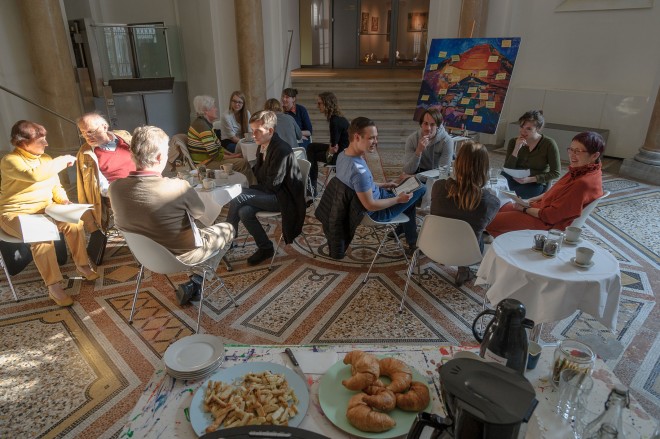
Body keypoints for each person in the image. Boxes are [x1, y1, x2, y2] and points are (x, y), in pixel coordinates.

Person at [108, 125, 234, 288]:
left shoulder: (115, 188)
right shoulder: (178, 187)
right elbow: (200, 213)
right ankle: (198, 279)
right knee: (228, 227)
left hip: (145, 257)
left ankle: (196, 280)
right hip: (184, 257)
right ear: (160, 157)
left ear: (132, 155)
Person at [0, 120, 99, 307]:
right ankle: (54, 286)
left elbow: (56, 186)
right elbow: (34, 175)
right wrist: (61, 161)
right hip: (14, 214)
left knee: (74, 222)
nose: (46, 143)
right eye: (40, 140)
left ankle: (83, 265)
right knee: (42, 237)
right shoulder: (9, 161)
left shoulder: (46, 160)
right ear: (22, 142)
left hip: (45, 209)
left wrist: (63, 201)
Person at [487, 131, 606, 237]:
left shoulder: (583, 182)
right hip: (539, 210)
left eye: (578, 151)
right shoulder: (583, 170)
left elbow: (551, 216)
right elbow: (553, 192)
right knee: (494, 208)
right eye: (571, 149)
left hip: (546, 223)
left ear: (595, 155)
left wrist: (524, 209)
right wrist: (529, 201)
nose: (572, 155)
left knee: (486, 220)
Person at [226, 111, 306, 265]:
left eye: (258, 131)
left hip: (283, 198)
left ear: (270, 131)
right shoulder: (263, 145)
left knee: (238, 196)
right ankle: (266, 247)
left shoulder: (281, 149)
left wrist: (261, 170)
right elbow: (260, 175)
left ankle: (226, 241)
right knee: (244, 211)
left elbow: (271, 184)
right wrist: (262, 169)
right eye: (252, 130)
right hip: (269, 192)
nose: (253, 135)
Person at [336, 117, 425, 253]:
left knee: (408, 193)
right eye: (371, 138)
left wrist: (384, 184)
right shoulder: (359, 171)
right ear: (357, 137)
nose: (376, 142)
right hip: (378, 212)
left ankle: (406, 233)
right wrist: (398, 200)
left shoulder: (343, 156)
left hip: (379, 195)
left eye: (376, 137)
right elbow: (370, 205)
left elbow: (361, 185)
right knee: (421, 188)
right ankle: (411, 240)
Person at [430, 141, 499, 286]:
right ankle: (464, 269)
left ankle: (456, 261)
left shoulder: (438, 186)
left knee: (458, 223)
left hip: (434, 246)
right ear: (484, 168)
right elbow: (488, 226)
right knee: (478, 232)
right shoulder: (490, 201)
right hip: (469, 253)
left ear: (457, 164)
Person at [76, 112, 135, 237]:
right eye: (83, 132)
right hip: (118, 193)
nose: (87, 136)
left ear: (104, 127)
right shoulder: (86, 154)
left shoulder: (124, 137)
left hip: (142, 181)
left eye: (91, 131)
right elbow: (100, 186)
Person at [188, 95, 256, 184]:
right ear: (206, 111)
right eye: (213, 107)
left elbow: (218, 147)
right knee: (243, 163)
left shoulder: (204, 123)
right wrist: (233, 156)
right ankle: (252, 189)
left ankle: (242, 186)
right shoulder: (203, 127)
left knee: (241, 159)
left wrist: (232, 155)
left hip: (209, 159)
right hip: (205, 164)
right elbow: (215, 155)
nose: (216, 109)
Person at [502, 110, 560, 198]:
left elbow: (556, 173)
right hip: (514, 178)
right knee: (495, 188)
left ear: (537, 129)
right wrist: (516, 148)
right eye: (521, 127)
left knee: (515, 196)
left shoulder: (549, 144)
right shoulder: (513, 141)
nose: (523, 131)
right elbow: (507, 169)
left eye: (528, 129)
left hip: (535, 182)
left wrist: (530, 179)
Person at [306, 91, 349, 192]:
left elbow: (334, 147)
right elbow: (334, 145)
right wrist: (331, 148)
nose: (318, 106)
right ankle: (311, 185)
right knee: (311, 147)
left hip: (340, 156)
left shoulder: (335, 121)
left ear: (327, 103)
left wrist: (329, 154)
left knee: (312, 155)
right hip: (342, 151)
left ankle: (312, 187)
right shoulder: (338, 118)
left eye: (320, 103)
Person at [402, 107, 454, 175]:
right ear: (421, 124)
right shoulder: (412, 139)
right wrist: (418, 151)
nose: (428, 128)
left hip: (435, 175)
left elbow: (443, 173)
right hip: (416, 172)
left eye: (432, 124)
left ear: (438, 125)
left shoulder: (447, 141)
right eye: (425, 123)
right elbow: (408, 170)